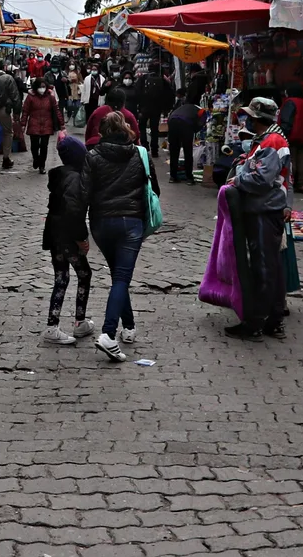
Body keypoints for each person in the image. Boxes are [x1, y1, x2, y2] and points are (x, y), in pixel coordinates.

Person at [85, 112, 158, 361]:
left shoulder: (93, 156)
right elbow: (154, 189)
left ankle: (128, 326)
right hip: (131, 222)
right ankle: (108, 333)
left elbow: (84, 194)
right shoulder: (140, 154)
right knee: (122, 277)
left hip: (101, 224)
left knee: (118, 274)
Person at [223, 98, 293, 341]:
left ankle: (256, 322)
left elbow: (263, 180)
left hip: (265, 209)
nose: (247, 120)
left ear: (257, 119)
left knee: (264, 267)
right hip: (266, 208)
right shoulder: (267, 140)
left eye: (250, 117)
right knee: (270, 265)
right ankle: (272, 320)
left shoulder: (272, 142)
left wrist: (237, 181)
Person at [41, 135, 96, 345]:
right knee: (83, 273)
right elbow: (74, 211)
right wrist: (81, 238)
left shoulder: (61, 176)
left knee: (62, 277)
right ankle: (75, 322)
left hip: (55, 232)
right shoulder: (74, 178)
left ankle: (54, 325)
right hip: (65, 235)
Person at [20, 79, 64, 173]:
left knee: (44, 146)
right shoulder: (31, 97)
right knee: (34, 146)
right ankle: (36, 159)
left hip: (47, 123)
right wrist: (23, 123)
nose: (42, 89)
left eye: (44, 86)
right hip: (34, 123)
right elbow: (25, 111)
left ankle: (42, 165)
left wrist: (62, 124)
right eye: (40, 86)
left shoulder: (50, 97)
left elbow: (57, 110)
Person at [166, 89, 203, 184]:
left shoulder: (183, 107)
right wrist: (195, 131)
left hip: (172, 121)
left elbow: (171, 116)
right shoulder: (200, 110)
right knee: (187, 151)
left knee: (174, 150)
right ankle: (189, 178)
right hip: (185, 124)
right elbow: (201, 123)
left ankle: (173, 177)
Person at [139, 69, 176, 158]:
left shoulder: (143, 78)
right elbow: (169, 94)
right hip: (156, 109)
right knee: (154, 129)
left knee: (142, 127)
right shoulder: (162, 80)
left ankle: (144, 146)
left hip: (144, 108)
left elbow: (137, 92)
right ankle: (154, 150)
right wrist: (166, 108)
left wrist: (139, 106)